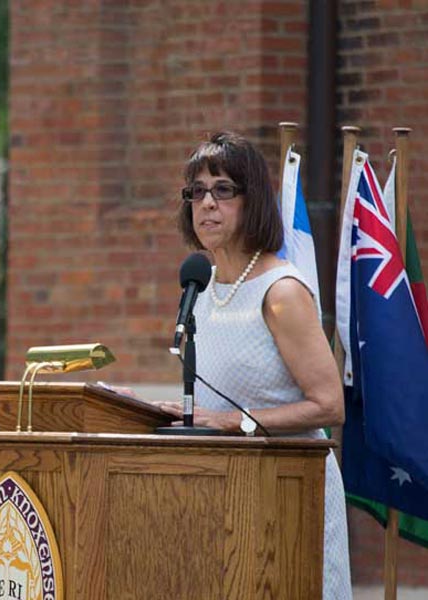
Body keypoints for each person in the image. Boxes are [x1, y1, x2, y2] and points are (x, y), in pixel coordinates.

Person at [157, 131, 352, 599]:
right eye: (196, 192)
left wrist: (232, 423)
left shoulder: (281, 291)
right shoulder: (199, 290)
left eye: (223, 190)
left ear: (254, 202)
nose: (207, 204)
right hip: (223, 501)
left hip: (288, 495)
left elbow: (330, 407)